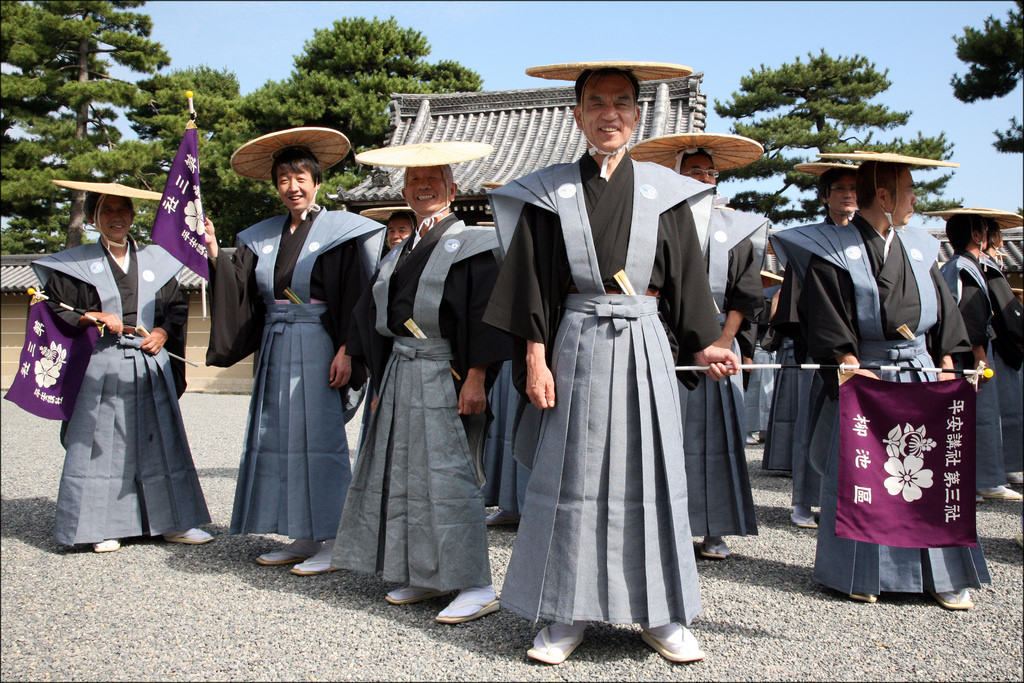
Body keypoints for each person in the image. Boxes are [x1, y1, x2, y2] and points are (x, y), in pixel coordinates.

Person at [484, 61, 740, 665]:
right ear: (575, 113)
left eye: (622, 102)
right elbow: (534, 286)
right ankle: (563, 612)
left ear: (638, 115)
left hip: (646, 343)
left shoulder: (665, 192)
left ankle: (659, 613)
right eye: (596, 102)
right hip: (573, 341)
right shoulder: (551, 192)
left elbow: (686, 281)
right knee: (569, 478)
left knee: (648, 476)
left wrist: (705, 343)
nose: (609, 114)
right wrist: (534, 357)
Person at [773, 150, 989, 609]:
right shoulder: (830, 249)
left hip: (917, 372)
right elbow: (825, 313)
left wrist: (950, 362)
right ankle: (857, 570)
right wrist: (848, 359)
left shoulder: (922, 246)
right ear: (886, 197)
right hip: (864, 376)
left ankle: (941, 576)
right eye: (910, 191)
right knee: (863, 478)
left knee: (926, 476)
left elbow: (945, 312)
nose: (916, 200)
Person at [333, 141, 511, 625]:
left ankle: (476, 582)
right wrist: (376, 382)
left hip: (447, 372)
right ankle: (425, 571)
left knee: (450, 478)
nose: (424, 186)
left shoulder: (474, 243)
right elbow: (373, 316)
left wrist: (477, 379)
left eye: (434, 178)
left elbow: (484, 317)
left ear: (453, 188)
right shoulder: (399, 249)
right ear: (404, 190)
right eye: (414, 180)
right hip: (401, 372)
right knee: (406, 476)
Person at [205, 127, 384, 575]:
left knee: (320, 441)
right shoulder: (262, 236)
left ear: (318, 182)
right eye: (284, 179)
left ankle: (336, 536)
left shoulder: (339, 232)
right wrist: (212, 251)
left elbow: (355, 293)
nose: (293, 187)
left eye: (301, 177)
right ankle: (301, 533)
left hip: (320, 342)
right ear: (275, 186)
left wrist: (347, 349)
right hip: (275, 343)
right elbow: (240, 285)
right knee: (279, 438)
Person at [34, 181, 212, 552]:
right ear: (94, 218)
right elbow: (54, 306)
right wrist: (92, 316)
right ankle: (100, 525)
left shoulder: (155, 260)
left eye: (122, 210)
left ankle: (174, 521)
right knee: (103, 445)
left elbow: (176, 307)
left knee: (161, 439)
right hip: (103, 361)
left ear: (132, 216)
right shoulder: (76, 264)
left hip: (150, 360)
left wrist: (162, 332)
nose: (116, 217)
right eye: (107, 211)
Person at [630, 132, 768, 560]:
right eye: (694, 171)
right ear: (676, 175)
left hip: (720, 351)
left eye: (710, 171)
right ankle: (666, 525)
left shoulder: (739, 226)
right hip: (670, 347)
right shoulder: (657, 217)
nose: (705, 177)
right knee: (662, 437)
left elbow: (747, 294)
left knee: (716, 442)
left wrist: (721, 341)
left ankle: (714, 529)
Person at [765, 162, 859, 527]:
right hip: (821, 344)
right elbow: (799, 295)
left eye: (854, 188)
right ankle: (803, 502)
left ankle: (850, 501)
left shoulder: (869, 237)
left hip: (864, 347)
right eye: (839, 189)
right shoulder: (811, 241)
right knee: (814, 423)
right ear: (824, 196)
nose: (848, 194)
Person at [932, 208, 1022, 502]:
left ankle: (969, 479)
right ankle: (985, 479)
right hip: (969, 355)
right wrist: (980, 356)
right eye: (984, 229)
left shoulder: (950, 266)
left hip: (952, 352)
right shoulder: (967, 269)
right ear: (976, 234)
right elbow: (970, 318)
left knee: (962, 418)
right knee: (981, 416)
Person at [980, 215, 1024, 487]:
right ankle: (1008, 467)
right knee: (1005, 411)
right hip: (995, 351)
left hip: (987, 348)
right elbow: (1012, 318)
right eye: (997, 242)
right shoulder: (985, 268)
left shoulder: (957, 267)